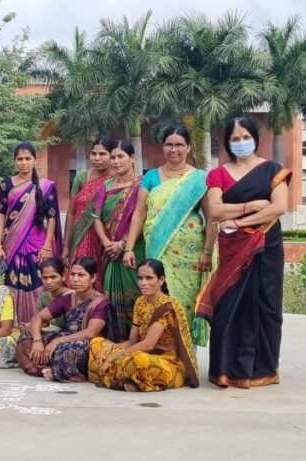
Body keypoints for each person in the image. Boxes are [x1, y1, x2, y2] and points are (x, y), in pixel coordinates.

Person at [198, 116, 289, 388]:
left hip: (266, 246)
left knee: (266, 306)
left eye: (245, 137)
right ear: (227, 142)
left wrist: (237, 221)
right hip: (232, 248)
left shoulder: (273, 169)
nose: (241, 143)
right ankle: (225, 370)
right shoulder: (218, 174)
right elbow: (214, 210)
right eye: (235, 139)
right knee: (229, 305)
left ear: (255, 139)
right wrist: (250, 206)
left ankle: (263, 370)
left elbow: (278, 207)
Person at [125, 126, 215, 347]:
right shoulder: (151, 177)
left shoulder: (199, 179)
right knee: (157, 298)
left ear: (188, 147)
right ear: (163, 146)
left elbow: (211, 216)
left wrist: (207, 252)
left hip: (190, 254)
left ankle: (185, 352)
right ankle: (156, 347)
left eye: (179, 145)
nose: (174, 149)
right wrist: (128, 248)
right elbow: (139, 213)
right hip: (157, 250)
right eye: (169, 144)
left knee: (184, 301)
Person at [88, 259, 199, 392]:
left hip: (168, 361)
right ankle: (129, 379)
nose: (143, 283)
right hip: (141, 351)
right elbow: (132, 341)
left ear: (161, 280)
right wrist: (112, 347)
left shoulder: (167, 306)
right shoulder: (140, 302)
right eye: (140, 278)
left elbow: (148, 344)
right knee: (97, 344)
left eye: (149, 278)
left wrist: (116, 355)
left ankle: (123, 377)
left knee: (138, 360)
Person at [0, 142, 63, 324]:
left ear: (34, 160)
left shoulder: (46, 186)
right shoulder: (6, 184)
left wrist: (47, 246)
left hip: (37, 244)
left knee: (40, 282)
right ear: (14, 161)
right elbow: (0, 215)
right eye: (20, 159)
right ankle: (13, 325)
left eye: (27, 158)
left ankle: (39, 324)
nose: (24, 163)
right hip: (11, 244)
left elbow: (52, 217)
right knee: (11, 282)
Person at [17, 258, 109, 382]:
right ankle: (49, 368)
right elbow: (38, 317)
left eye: (81, 275)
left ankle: (58, 370)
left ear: (92, 278)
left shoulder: (100, 302)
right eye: (73, 274)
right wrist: (38, 341)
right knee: (26, 335)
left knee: (68, 350)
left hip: (84, 343)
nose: (75, 279)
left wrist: (58, 341)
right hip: (64, 338)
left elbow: (90, 332)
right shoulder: (69, 297)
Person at [91, 141, 146, 341]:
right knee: (110, 298)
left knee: (137, 294)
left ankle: (137, 343)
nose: (115, 161)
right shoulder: (106, 185)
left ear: (132, 159)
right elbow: (96, 217)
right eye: (113, 157)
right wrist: (106, 242)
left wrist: (123, 245)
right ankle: (114, 342)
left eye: (120, 156)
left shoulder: (142, 185)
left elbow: (143, 217)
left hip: (133, 251)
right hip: (109, 253)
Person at [63, 137, 114, 288]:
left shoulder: (116, 180)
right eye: (93, 153)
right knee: (78, 278)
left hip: (105, 240)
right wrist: (66, 245)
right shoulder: (81, 178)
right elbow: (71, 212)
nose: (96, 158)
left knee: (101, 281)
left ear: (113, 156)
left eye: (102, 154)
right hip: (80, 238)